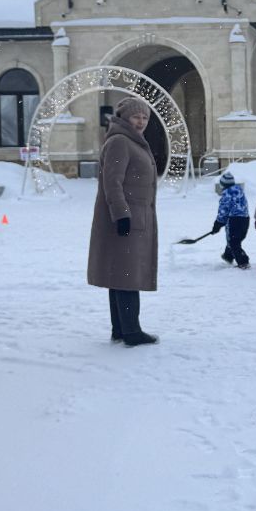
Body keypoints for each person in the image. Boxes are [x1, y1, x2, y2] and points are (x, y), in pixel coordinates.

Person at [88, 96, 159, 346]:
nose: (140, 122)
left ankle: (120, 328)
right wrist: (122, 215)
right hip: (126, 218)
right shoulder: (120, 142)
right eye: (135, 117)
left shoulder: (132, 141)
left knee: (120, 273)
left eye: (144, 117)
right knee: (128, 273)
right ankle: (131, 331)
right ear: (124, 118)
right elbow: (112, 182)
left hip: (134, 216)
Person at [212, 169, 250, 269]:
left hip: (234, 220)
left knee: (233, 242)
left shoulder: (226, 194)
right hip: (245, 219)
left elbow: (223, 210)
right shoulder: (239, 190)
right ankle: (228, 255)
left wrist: (218, 223)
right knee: (235, 239)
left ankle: (243, 262)